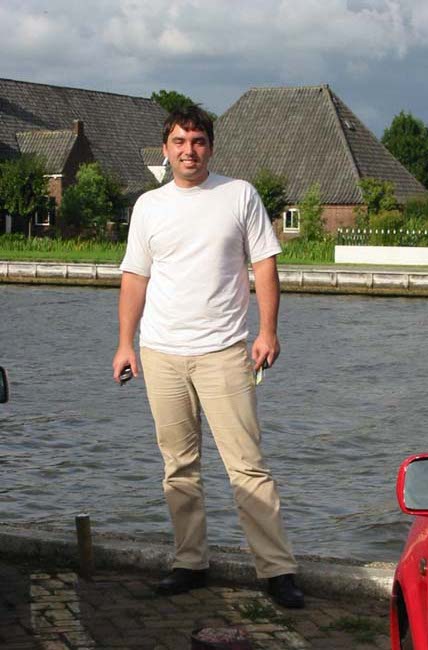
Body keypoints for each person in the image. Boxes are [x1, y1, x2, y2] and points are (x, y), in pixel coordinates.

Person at [112, 105, 303, 608]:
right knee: (178, 466)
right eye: (179, 142)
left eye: (197, 141)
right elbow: (135, 277)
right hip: (161, 352)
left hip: (224, 351)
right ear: (165, 149)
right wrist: (125, 343)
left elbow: (264, 266)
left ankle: (277, 570)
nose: (188, 151)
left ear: (210, 147)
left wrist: (268, 331)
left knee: (247, 465)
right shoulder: (148, 206)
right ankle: (189, 562)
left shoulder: (239, 195)